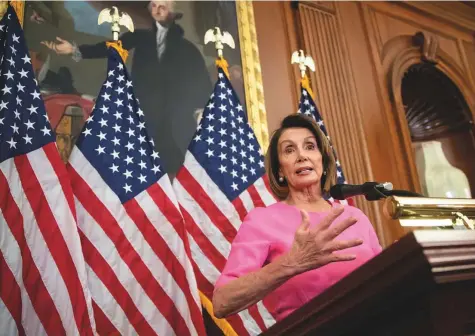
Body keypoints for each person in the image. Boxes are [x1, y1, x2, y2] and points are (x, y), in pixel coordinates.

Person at [212, 114, 382, 321]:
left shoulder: (355, 217)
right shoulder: (262, 220)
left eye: (310, 146)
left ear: (324, 160)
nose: (302, 156)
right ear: (280, 170)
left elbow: (383, 281)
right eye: (289, 150)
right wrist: (293, 262)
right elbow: (222, 302)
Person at [41, 1, 212, 177]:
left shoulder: (188, 48)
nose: (157, 10)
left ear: (174, 13)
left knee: (174, 163)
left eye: (163, 6)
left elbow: (201, 81)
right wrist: (75, 50)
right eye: (153, 5)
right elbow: (110, 48)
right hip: (144, 110)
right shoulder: (139, 37)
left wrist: (201, 110)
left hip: (176, 116)